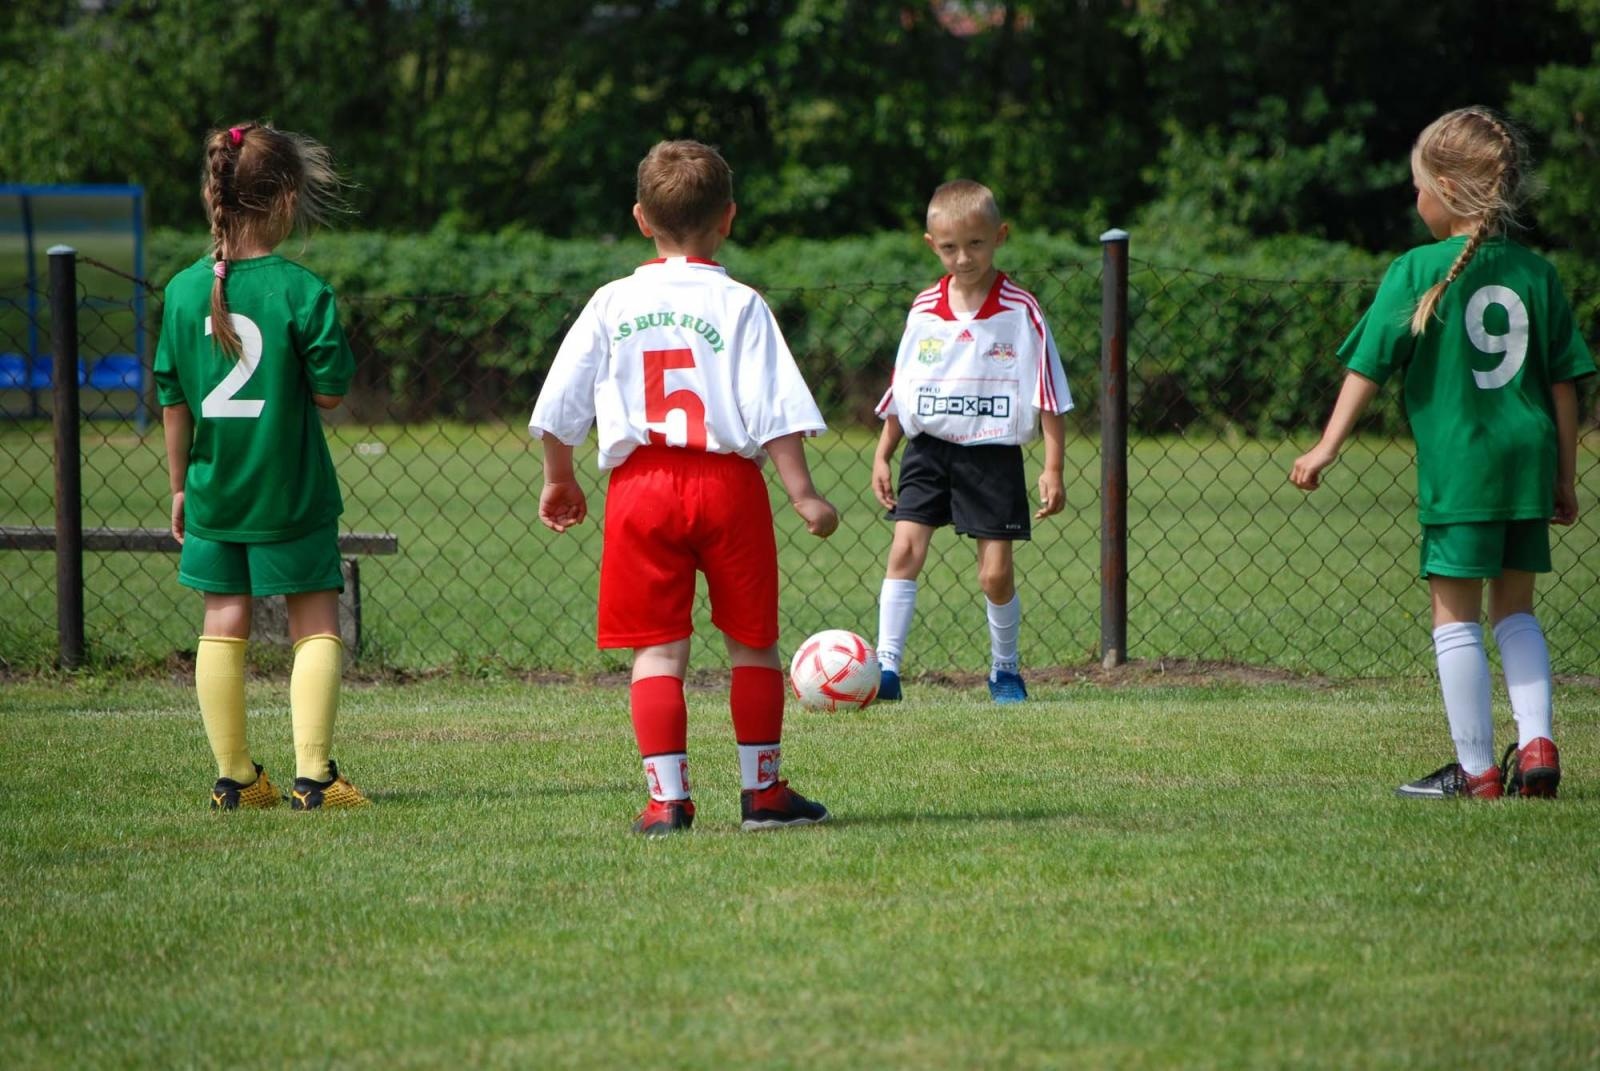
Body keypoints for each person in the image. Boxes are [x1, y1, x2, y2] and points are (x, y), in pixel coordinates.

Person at [530, 139, 840, 836]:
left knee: (659, 649)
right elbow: (775, 409)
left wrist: (560, 478)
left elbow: (559, 406)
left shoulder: (613, 301)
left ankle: (668, 801)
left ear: (641, 218)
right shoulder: (741, 303)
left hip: (642, 486)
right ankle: (761, 794)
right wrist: (803, 494)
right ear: (727, 218)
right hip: (730, 484)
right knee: (752, 642)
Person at [1290, 107, 1594, 800]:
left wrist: (1326, 446)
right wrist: (1565, 476)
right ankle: (1539, 744)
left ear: (1450, 192)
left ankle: (1480, 770)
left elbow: (1366, 368)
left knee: (1454, 615)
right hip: (1528, 460)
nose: (1413, 197)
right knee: (1517, 610)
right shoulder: (1537, 273)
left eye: (1419, 184)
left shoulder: (1416, 270)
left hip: (1463, 467)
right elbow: (1564, 384)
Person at [154, 122, 368, 812]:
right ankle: (315, 777)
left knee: (223, 620)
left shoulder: (185, 291)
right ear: (285, 200)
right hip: (292, 490)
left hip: (215, 489)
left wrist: (180, 485)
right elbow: (331, 392)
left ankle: (238, 778)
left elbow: (173, 396)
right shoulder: (302, 291)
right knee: (315, 621)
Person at [871, 180, 1072, 704]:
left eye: (976, 244)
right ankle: (886, 669)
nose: (964, 258)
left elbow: (1048, 393)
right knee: (904, 550)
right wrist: (883, 452)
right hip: (928, 450)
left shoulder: (1021, 311)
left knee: (994, 575)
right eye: (949, 247)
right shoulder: (922, 309)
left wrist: (1053, 468)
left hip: (993, 455)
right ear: (931, 244)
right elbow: (904, 388)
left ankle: (1005, 668)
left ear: (999, 236)